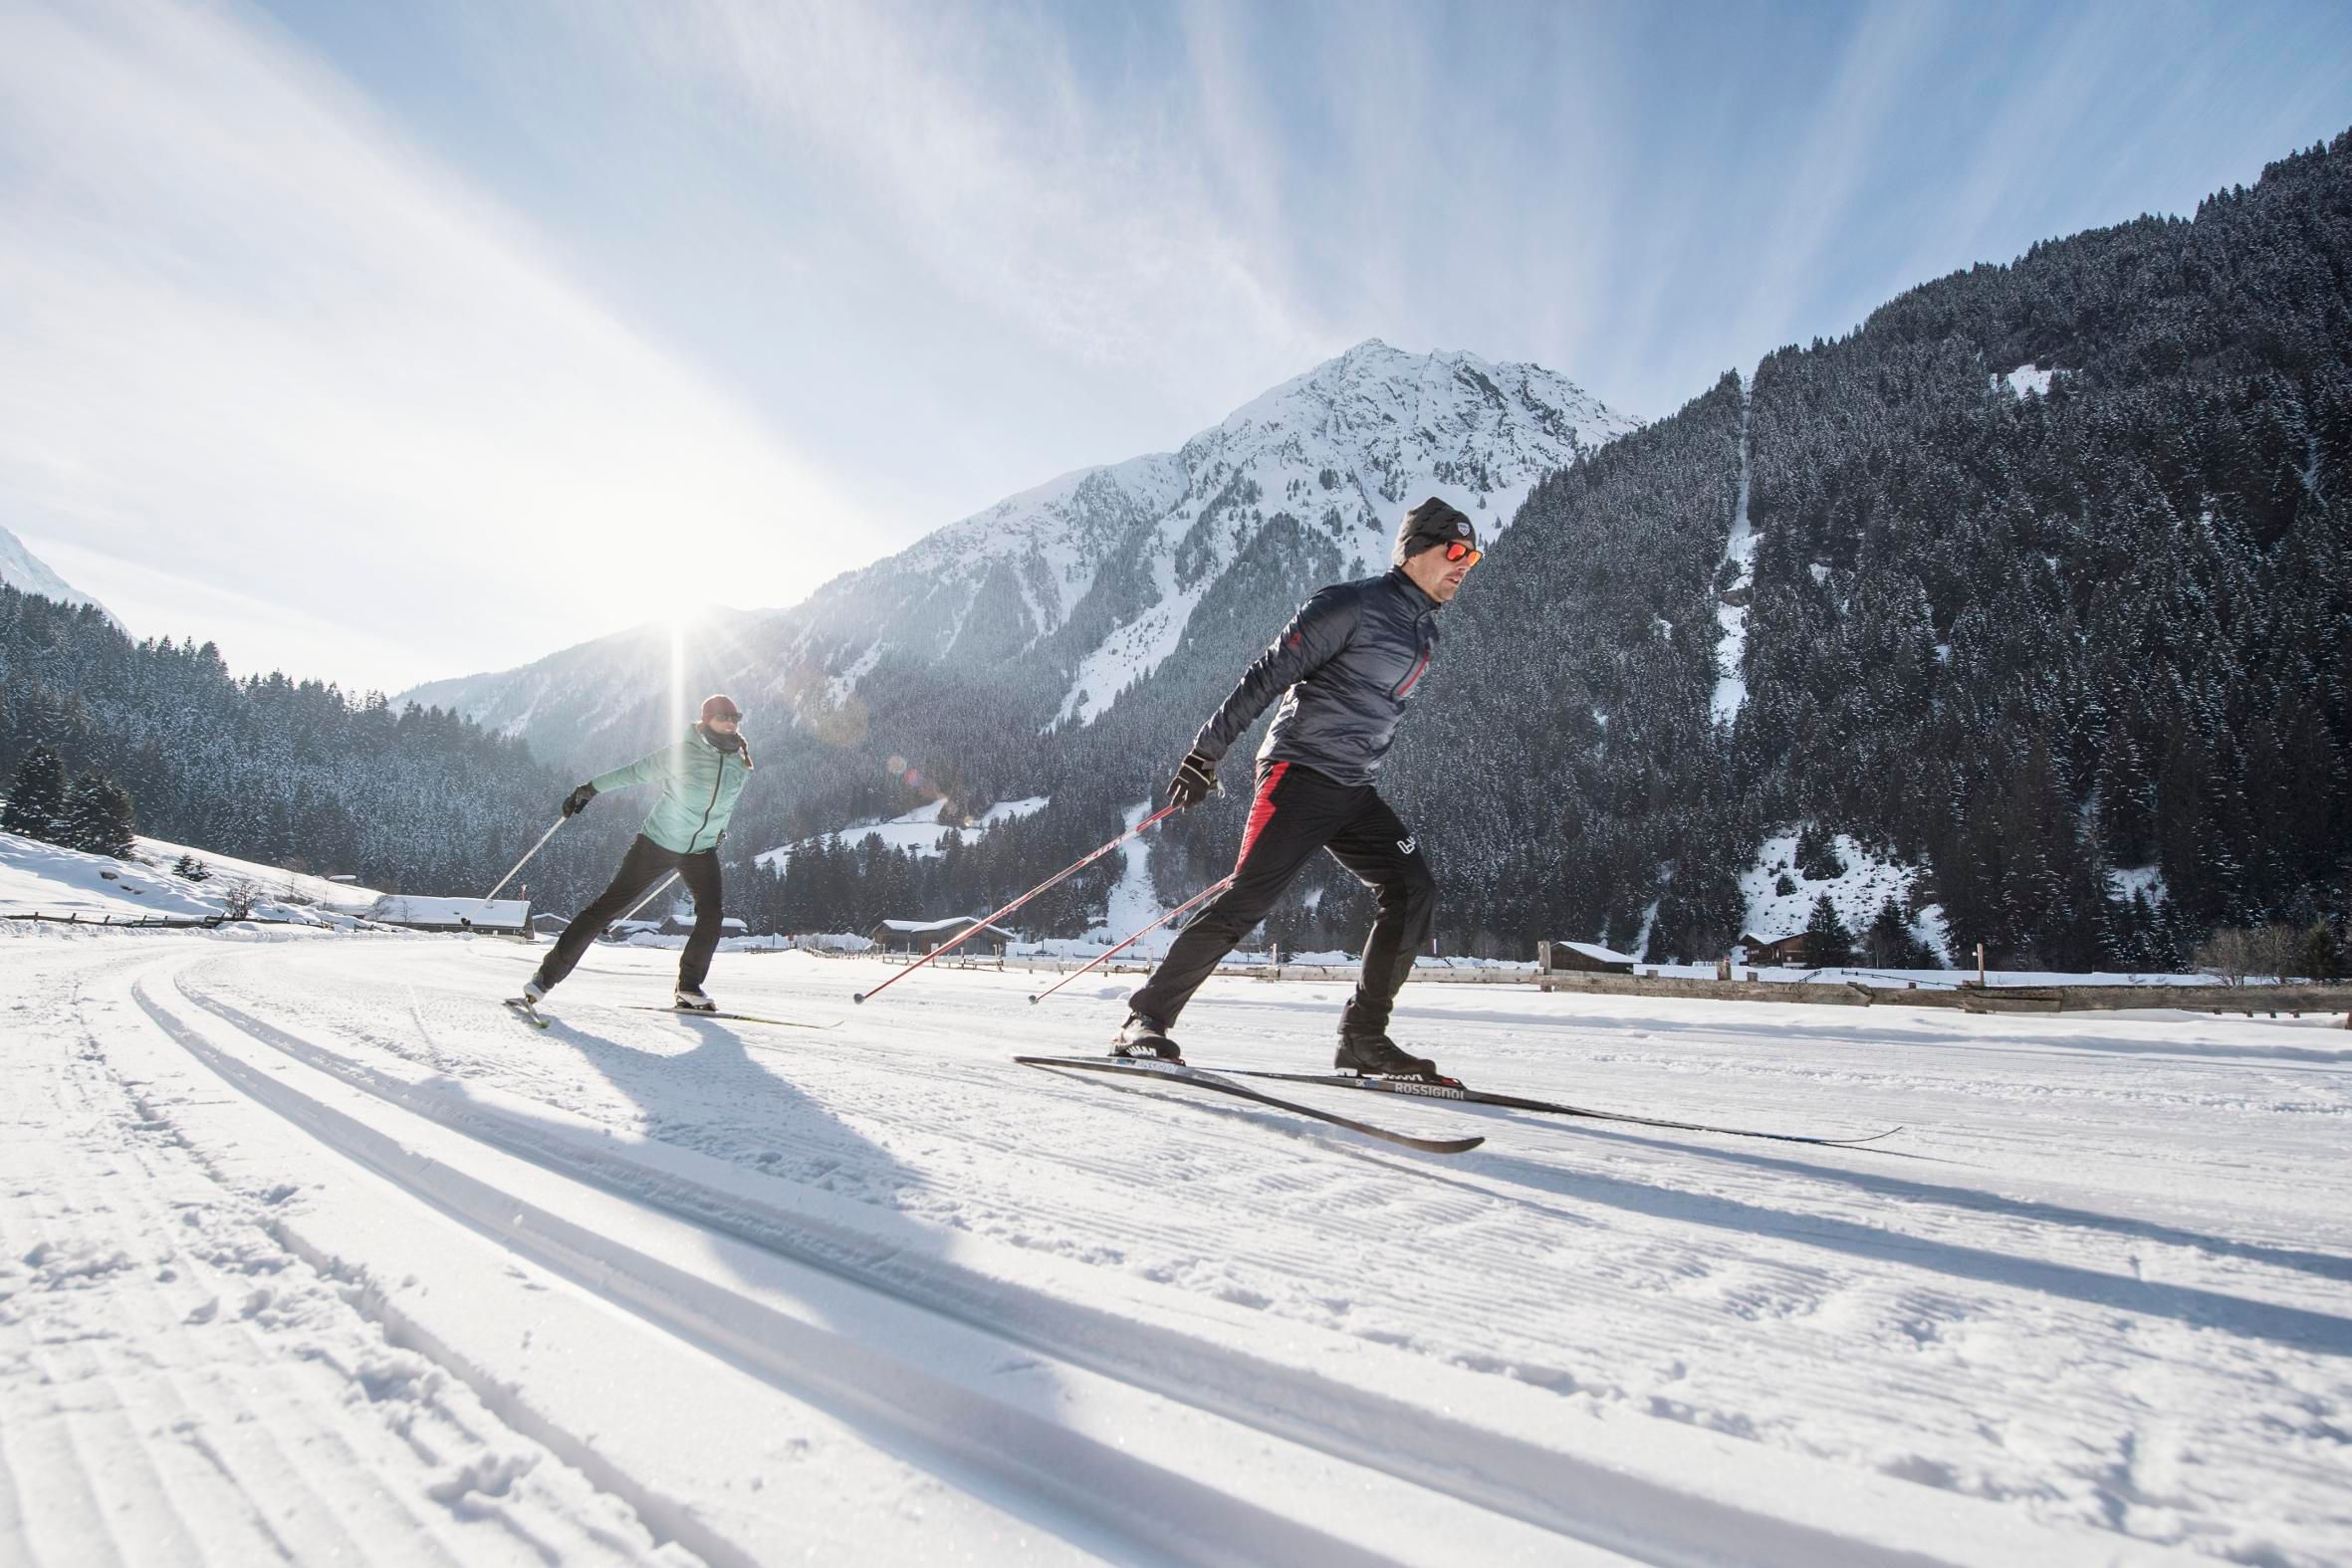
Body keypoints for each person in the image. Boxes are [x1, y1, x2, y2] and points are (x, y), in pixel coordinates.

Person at [1114, 496, 1482, 1078]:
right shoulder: (1349, 604)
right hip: (1299, 775)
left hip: (1354, 789)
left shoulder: (1425, 632)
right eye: (1456, 551)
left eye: (1474, 556)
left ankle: (1362, 1038)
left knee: (1413, 890)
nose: (1465, 564)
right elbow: (1267, 674)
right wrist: (1206, 753)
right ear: (1414, 552)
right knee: (1248, 901)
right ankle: (1145, 1019)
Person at [521, 694, 754, 1011]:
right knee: (605, 909)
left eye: (734, 717)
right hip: (656, 844)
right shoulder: (684, 754)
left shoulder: (739, 762)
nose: (730, 723)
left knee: (712, 914)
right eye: (723, 717)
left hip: (700, 850)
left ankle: (689, 987)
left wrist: (719, 831)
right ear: (706, 720)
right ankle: (544, 978)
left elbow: (724, 805)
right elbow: (634, 772)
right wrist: (590, 789)